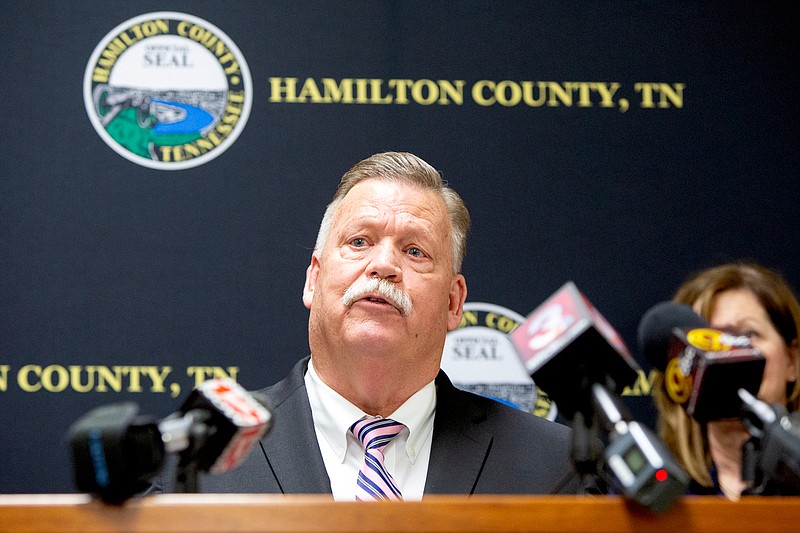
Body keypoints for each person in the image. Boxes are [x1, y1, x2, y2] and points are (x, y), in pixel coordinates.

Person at [197, 151, 584, 498]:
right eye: (360, 242)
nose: (383, 266)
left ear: (454, 302)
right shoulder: (200, 458)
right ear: (313, 280)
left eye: (414, 251)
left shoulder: (559, 469)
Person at [651, 262, 800, 500]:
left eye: (747, 335)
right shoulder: (656, 493)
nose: (725, 354)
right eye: (706, 340)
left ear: (792, 361)